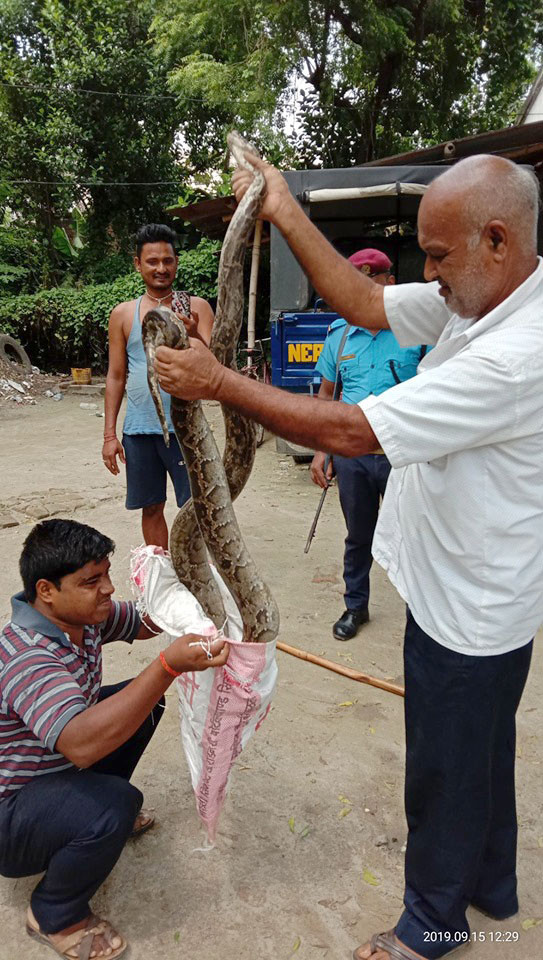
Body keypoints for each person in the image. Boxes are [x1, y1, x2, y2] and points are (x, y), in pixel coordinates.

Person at [154, 151, 542, 960]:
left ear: (497, 241)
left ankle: (431, 927)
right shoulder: (481, 301)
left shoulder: (517, 353)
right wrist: (283, 207)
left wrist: (217, 382)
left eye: (436, 256)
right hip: (464, 593)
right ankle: (490, 885)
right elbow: (365, 301)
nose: (425, 273)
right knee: (481, 752)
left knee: (442, 769)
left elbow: (353, 431)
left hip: (469, 610)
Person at [0, 518, 228, 960]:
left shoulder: (80, 619)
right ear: (46, 590)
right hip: (9, 817)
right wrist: (168, 666)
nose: (107, 588)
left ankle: (82, 822)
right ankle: (54, 913)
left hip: (51, 772)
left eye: (106, 573)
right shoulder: (28, 654)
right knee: (116, 803)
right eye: (91, 580)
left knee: (139, 706)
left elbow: (145, 622)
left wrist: (187, 602)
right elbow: (82, 744)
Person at [311, 248, 425, 640]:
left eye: (371, 279)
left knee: (414, 534)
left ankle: (423, 613)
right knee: (359, 535)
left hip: (404, 456)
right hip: (353, 458)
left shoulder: (417, 331)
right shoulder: (339, 334)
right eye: (355, 280)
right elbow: (325, 397)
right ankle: (355, 607)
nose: (363, 288)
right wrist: (321, 450)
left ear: (389, 283)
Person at [102, 223, 215, 549]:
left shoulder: (198, 308)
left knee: (196, 507)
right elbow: (115, 376)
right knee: (151, 507)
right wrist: (110, 435)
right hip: (138, 432)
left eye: (168, 260)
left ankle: (199, 572)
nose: (161, 268)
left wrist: (191, 333)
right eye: (152, 261)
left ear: (177, 262)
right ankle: (162, 574)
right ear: (138, 264)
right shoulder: (123, 314)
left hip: (186, 431)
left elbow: (213, 370)